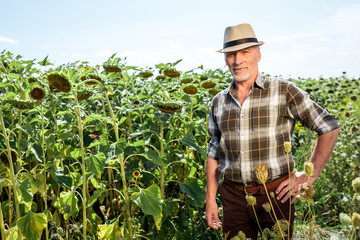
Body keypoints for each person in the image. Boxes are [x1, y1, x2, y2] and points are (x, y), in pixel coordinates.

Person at [205, 23, 340, 239]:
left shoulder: (284, 91)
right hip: (233, 198)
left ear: (258, 54)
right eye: (231, 54)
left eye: (245, 52)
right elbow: (214, 152)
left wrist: (307, 177)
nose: (237, 61)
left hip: (276, 196)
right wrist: (211, 198)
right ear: (225, 59)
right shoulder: (218, 102)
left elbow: (329, 126)